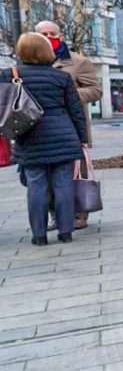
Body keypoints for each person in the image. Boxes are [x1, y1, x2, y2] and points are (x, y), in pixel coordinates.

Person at [12, 32, 87, 245]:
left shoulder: (11, 75)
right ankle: (65, 232)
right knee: (64, 184)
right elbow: (75, 110)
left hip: (29, 136)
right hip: (63, 135)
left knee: (36, 185)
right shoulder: (61, 77)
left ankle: (39, 235)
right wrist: (81, 138)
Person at [38, 21, 102, 230]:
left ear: (61, 35)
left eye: (52, 33)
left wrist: (68, 93)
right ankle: (57, 215)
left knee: (77, 170)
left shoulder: (78, 61)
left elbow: (95, 90)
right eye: (43, 34)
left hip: (71, 124)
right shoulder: (32, 62)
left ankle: (80, 213)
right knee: (46, 173)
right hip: (41, 126)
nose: (49, 37)